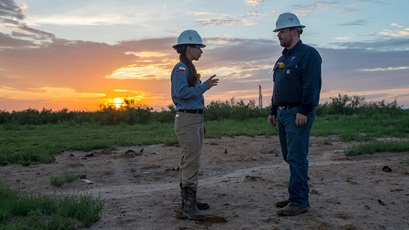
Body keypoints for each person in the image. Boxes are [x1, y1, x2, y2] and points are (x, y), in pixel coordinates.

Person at [268, 12, 322, 216]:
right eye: (278, 32)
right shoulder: (283, 58)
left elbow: (311, 85)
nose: (278, 35)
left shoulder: (308, 55)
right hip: (283, 114)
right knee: (289, 157)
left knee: (298, 157)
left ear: (294, 31)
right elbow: (277, 88)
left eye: (282, 31)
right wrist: (273, 110)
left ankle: (299, 201)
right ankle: (295, 196)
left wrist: (304, 110)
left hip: (297, 113)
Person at [171, 29, 219, 220]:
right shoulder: (181, 68)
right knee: (190, 161)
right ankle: (189, 207)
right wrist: (204, 86)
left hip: (194, 119)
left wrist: (201, 121)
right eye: (198, 47)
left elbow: (193, 99)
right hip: (187, 120)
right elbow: (182, 93)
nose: (201, 51)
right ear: (188, 48)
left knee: (189, 160)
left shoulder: (188, 68)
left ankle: (188, 203)